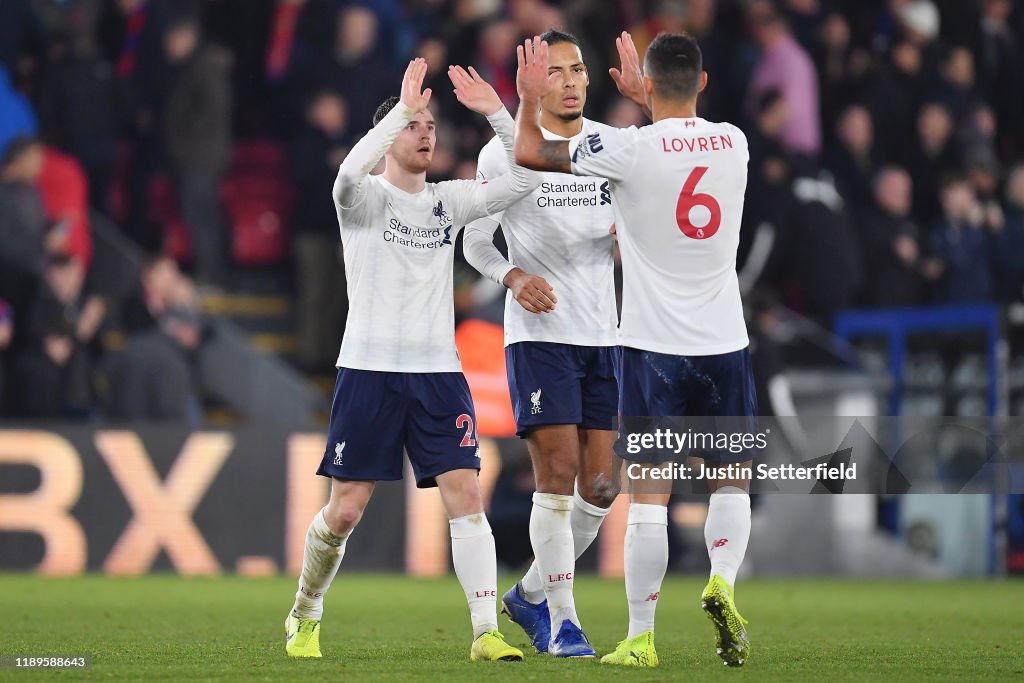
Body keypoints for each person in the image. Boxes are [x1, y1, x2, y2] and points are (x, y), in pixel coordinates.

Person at [284, 58, 539, 663]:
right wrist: (398, 108)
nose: (427, 132)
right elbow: (346, 172)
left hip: (437, 374)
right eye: (413, 125)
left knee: (466, 497)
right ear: (389, 136)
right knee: (344, 511)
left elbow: (525, 176)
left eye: (430, 124)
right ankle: (305, 612)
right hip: (369, 370)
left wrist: (498, 114)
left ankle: (485, 633)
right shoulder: (364, 199)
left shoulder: (448, 202)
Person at [514, 32, 755, 667]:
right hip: (725, 339)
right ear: (702, 83)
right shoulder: (735, 141)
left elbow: (530, 149)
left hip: (652, 345)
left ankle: (641, 638)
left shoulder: (625, 149)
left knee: (649, 493)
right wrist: (649, 101)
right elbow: (683, 144)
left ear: (646, 85)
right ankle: (722, 579)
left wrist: (526, 97)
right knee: (733, 481)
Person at [462, 28, 618, 659]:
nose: (574, 80)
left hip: (605, 334)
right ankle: (563, 618)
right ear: (534, 82)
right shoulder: (503, 155)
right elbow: (475, 242)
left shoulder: (610, 146)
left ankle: (528, 593)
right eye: (558, 71)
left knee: (601, 487)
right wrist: (513, 275)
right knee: (555, 474)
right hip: (540, 337)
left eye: (579, 69)